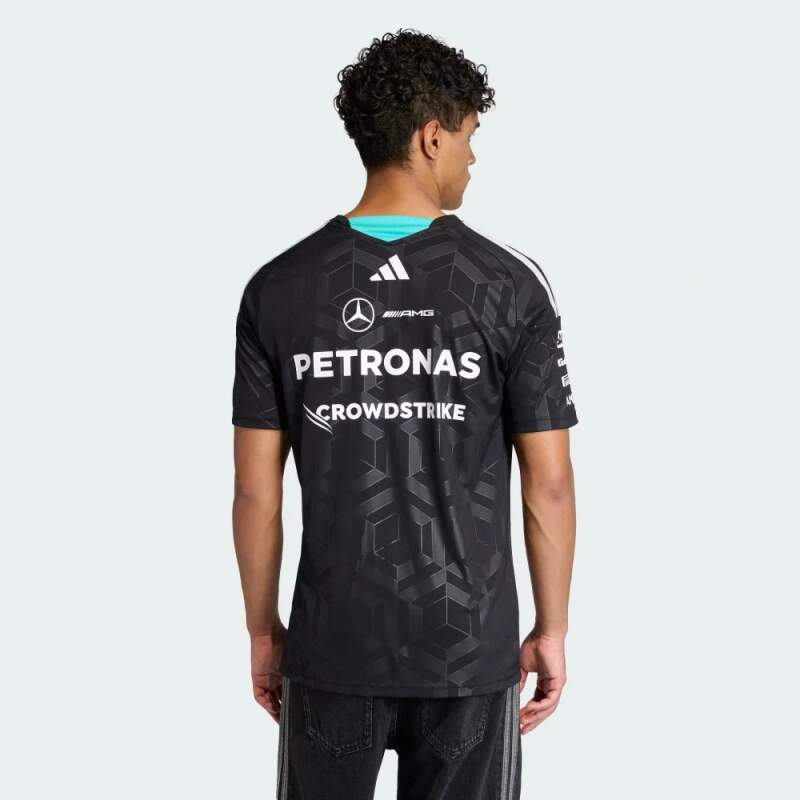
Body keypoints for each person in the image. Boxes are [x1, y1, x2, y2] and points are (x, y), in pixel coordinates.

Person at [232, 28, 578, 800]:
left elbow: (255, 491)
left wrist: (262, 631)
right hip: (468, 649)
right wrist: (552, 629)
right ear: (431, 138)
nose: (472, 158)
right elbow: (549, 483)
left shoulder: (279, 287)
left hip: (333, 643)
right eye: (469, 137)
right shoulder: (510, 286)